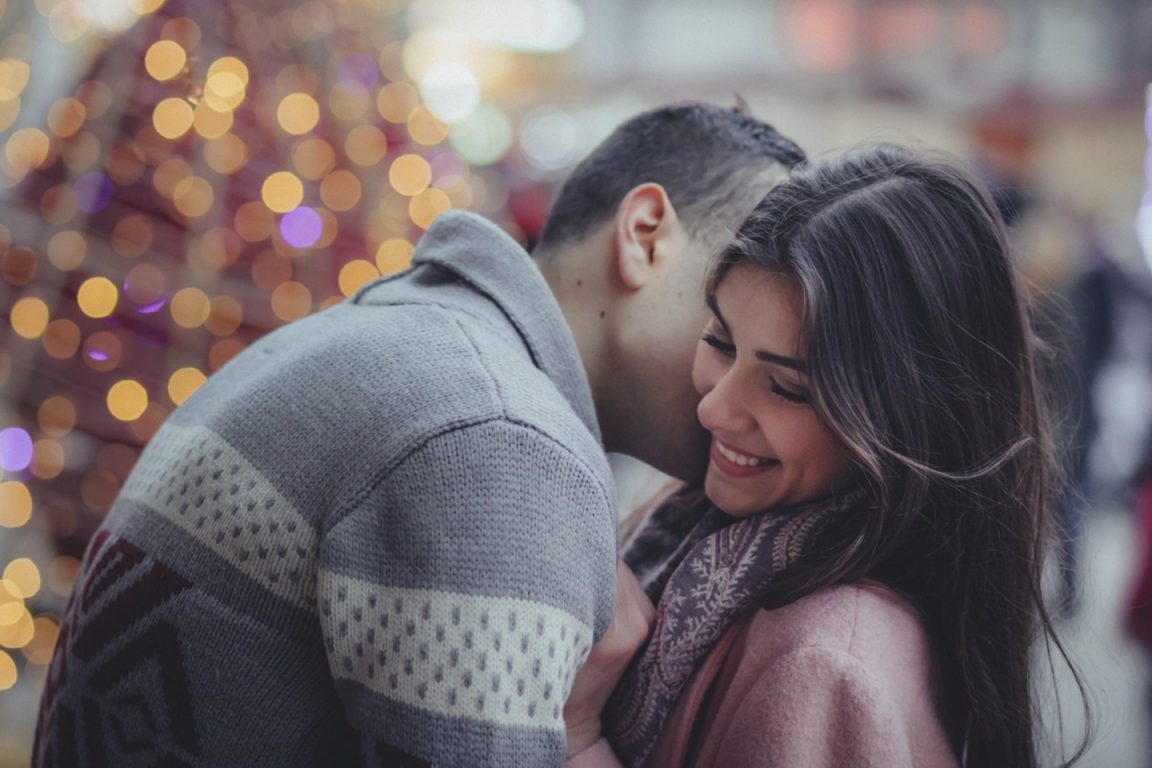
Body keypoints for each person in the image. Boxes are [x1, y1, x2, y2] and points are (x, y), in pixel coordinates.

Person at [32, 103, 805, 767]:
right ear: (643, 234)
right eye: (732, 307)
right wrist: (577, 734)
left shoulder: (408, 339)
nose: (749, 375)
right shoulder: (497, 437)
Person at [564, 144, 1088, 767]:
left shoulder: (826, 661)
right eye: (721, 342)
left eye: (788, 388)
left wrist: (578, 735)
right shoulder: (711, 533)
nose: (714, 411)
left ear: (908, 418)